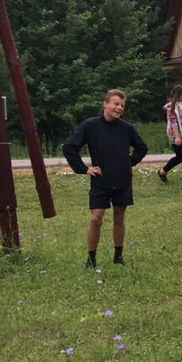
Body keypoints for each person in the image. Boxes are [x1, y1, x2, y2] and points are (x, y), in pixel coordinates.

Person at [62, 89, 148, 268]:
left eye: (122, 105)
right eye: (116, 104)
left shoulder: (126, 128)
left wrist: (128, 162)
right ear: (106, 103)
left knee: (119, 217)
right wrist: (84, 169)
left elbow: (142, 147)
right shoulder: (90, 125)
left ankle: (118, 256)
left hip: (122, 180)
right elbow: (70, 147)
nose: (119, 108)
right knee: (95, 219)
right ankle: (91, 259)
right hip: (101, 180)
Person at [158, 84, 182, 184]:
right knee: (180, 156)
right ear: (177, 94)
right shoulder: (171, 106)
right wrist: (177, 137)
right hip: (177, 133)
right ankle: (162, 171)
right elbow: (173, 122)